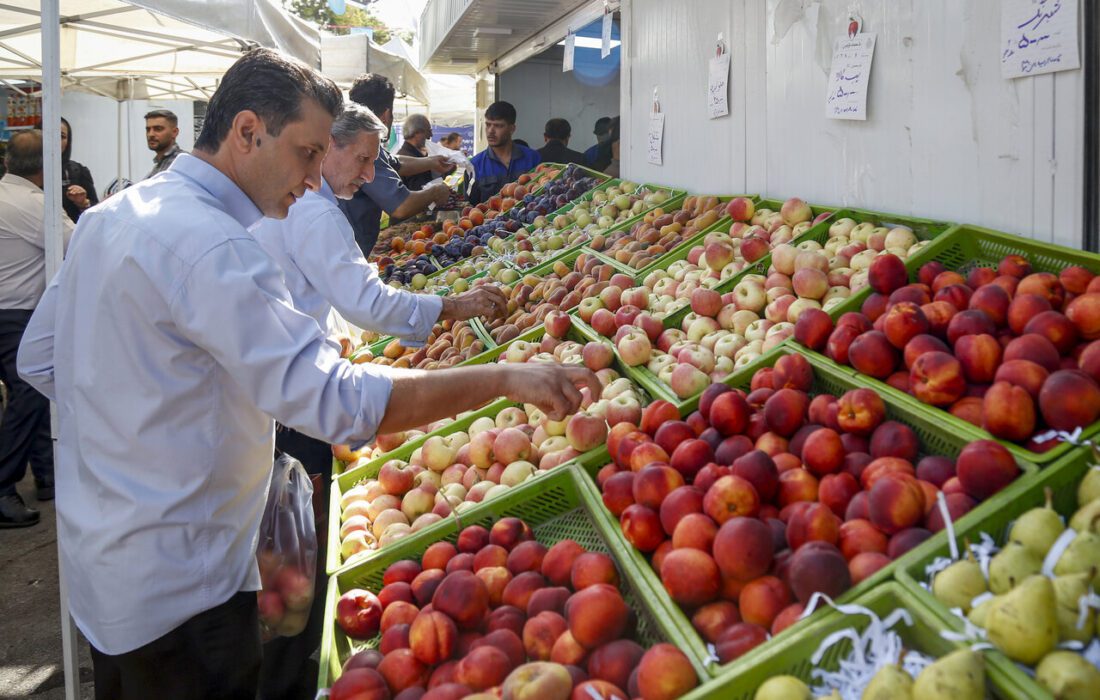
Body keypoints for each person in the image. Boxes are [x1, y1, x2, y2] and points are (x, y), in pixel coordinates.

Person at [16, 47, 595, 700]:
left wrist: (141, 430)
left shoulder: (108, 218)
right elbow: (336, 401)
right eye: (306, 152)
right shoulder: (217, 245)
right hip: (188, 587)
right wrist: (505, 379)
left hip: (103, 574)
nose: (315, 176)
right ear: (246, 131)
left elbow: (39, 358)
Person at [251, 103, 508, 698]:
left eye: (375, 161)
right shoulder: (314, 213)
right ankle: (288, 671)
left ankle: (281, 658)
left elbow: (323, 294)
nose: (368, 175)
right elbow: (365, 300)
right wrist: (453, 305)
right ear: (325, 146)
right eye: (363, 159)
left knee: (275, 560)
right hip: (294, 407)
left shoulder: (290, 209)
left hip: (281, 395)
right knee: (294, 564)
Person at [0, 130, 75, 527]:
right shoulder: (34, 204)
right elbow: (75, 243)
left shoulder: (8, 195)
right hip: (17, 312)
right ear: (48, 167)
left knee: (31, 392)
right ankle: (2, 485)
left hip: (10, 310)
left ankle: (46, 475)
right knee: (31, 391)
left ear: (9, 161)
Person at [338, 74, 451, 257]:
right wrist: (436, 192)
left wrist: (431, 161)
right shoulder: (365, 150)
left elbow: (394, 163)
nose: (366, 174)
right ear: (386, 115)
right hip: (347, 251)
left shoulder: (357, 140)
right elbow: (401, 206)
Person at [468, 101, 541, 205]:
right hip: (490, 221)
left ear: (512, 129)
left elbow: (542, 195)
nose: (490, 131)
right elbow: (470, 206)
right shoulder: (475, 165)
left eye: (498, 126)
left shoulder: (533, 158)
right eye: (488, 125)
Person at [396, 113, 448, 191]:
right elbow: (419, 189)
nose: (431, 135)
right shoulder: (408, 158)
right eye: (428, 131)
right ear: (417, 132)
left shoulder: (418, 154)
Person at [60, 117, 97, 223]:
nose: (55, 140)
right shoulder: (30, 173)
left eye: (62, 136)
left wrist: (83, 203)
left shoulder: (79, 171)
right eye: (49, 135)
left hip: (73, 235)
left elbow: (96, 210)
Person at [143, 108, 184, 179]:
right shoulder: (159, 164)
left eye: (158, 129)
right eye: (148, 129)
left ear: (174, 132)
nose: (151, 134)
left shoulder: (181, 162)